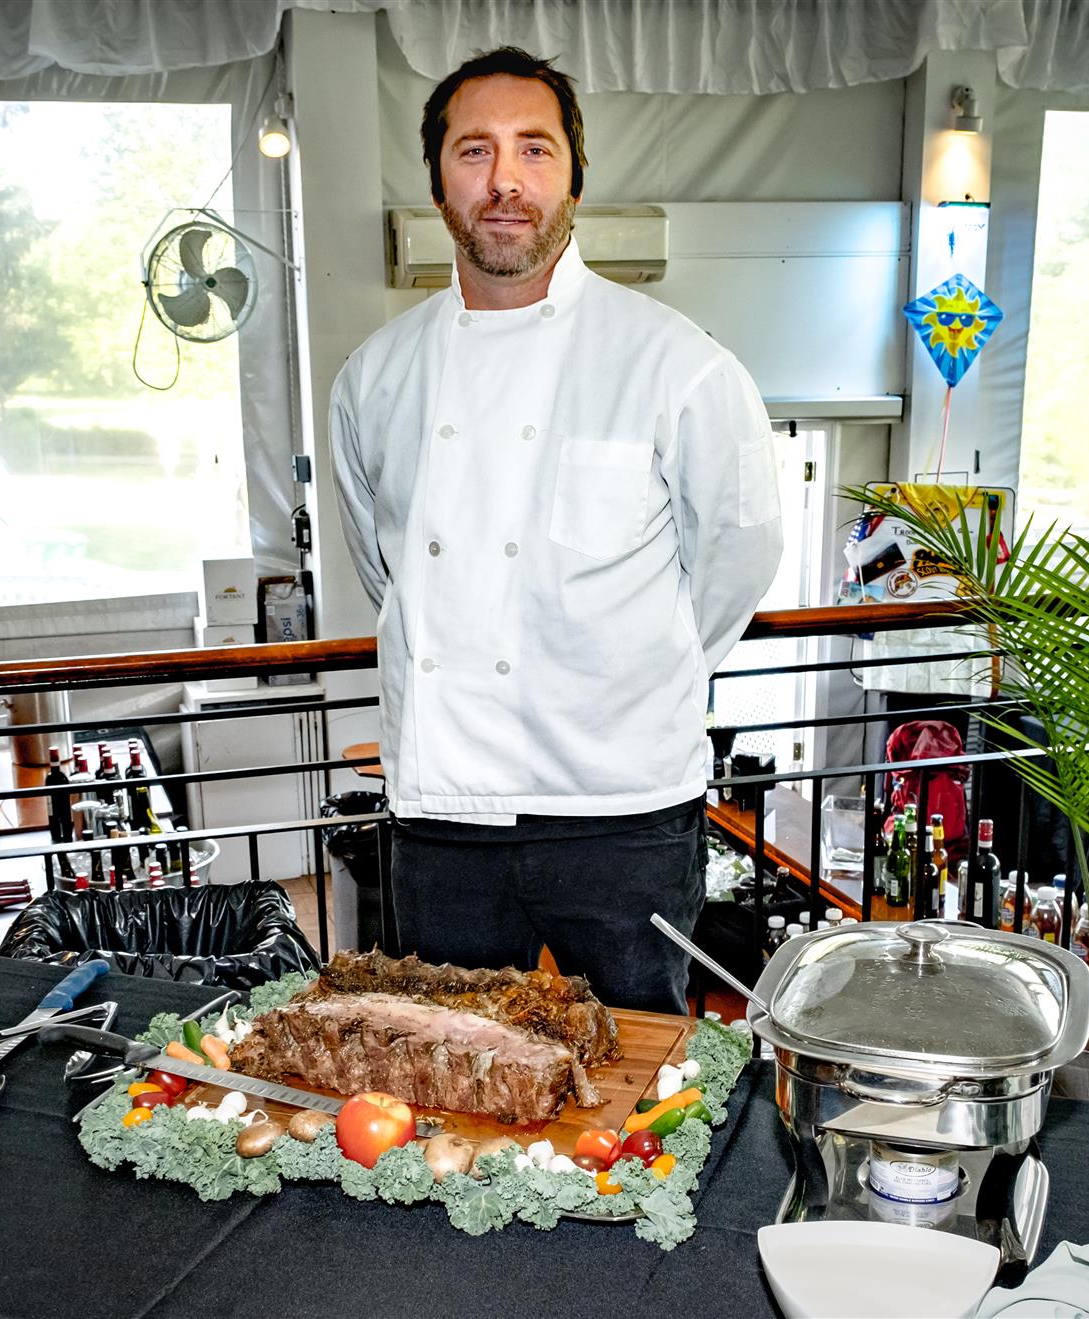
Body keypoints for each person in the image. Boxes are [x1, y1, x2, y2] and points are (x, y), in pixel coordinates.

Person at [329, 47, 782, 1013]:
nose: (505, 180)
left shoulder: (677, 364)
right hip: (443, 811)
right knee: (451, 1064)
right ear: (436, 182)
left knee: (645, 1067)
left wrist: (631, 679)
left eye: (534, 149)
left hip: (622, 805)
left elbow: (735, 560)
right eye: (474, 151)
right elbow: (386, 567)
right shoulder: (374, 376)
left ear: (574, 178)